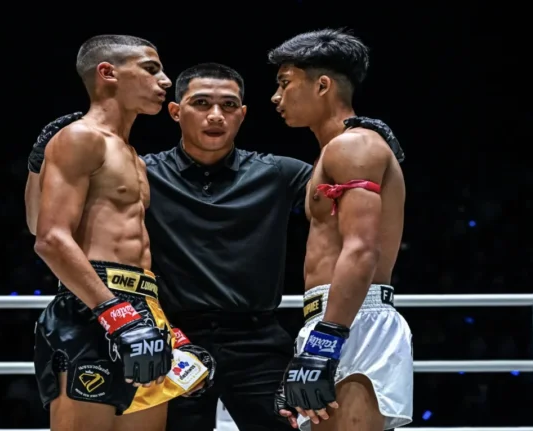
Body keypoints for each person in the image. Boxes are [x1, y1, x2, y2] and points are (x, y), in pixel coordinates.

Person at [26, 62, 315, 431]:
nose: (216, 115)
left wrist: (362, 137)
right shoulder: (141, 172)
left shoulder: (278, 172)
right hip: (168, 337)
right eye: (201, 103)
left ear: (242, 115)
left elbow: (339, 189)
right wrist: (38, 165)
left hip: (257, 340)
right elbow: (44, 229)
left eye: (228, 106)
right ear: (176, 111)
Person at [29, 34, 215, 431]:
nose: (165, 81)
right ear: (107, 73)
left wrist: (161, 327)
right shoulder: (82, 136)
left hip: (142, 306)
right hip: (94, 306)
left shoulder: (133, 157)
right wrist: (116, 316)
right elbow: (48, 237)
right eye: (150, 69)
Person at [267, 29, 413, 431]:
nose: (276, 97)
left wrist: (326, 340)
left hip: (352, 318)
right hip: (335, 316)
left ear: (322, 85)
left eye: (284, 83)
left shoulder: (353, 146)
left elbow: (362, 249)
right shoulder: (338, 150)